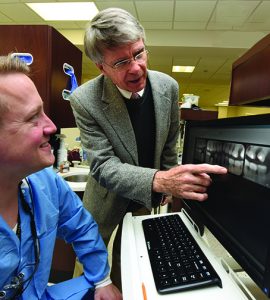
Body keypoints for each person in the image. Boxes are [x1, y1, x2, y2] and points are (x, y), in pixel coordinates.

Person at [69, 7, 227, 291]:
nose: (136, 67)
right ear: (101, 67)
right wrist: (160, 180)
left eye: (139, 53)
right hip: (105, 202)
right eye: (120, 62)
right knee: (94, 279)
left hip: (147, 200)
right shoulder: (84, 100)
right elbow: (103, 166)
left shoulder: (168, 87)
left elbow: (168, 143)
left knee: (133, 266)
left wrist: (167, 183)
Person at [0, 54, 122, 300]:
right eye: (33, 117)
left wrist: (103, 280)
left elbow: (81, 227)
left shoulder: (44, 181)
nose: (52, 126)